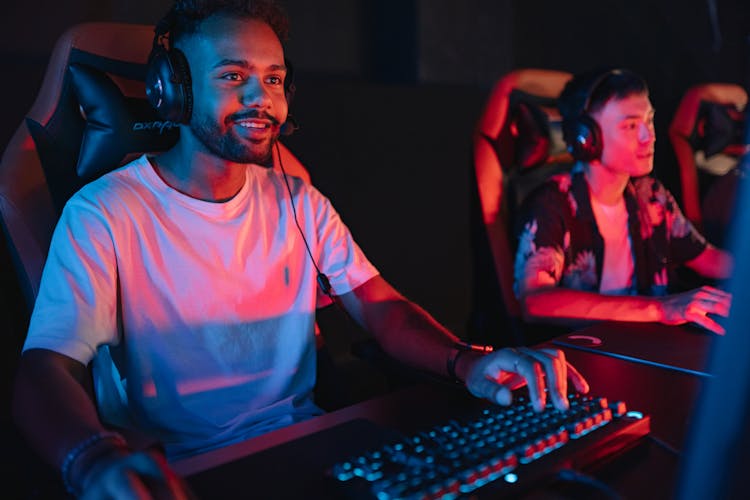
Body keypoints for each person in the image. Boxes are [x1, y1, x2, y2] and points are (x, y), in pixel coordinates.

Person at [12, 1, 589, 498]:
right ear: (175, 90)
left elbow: (381, 307)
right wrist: (94, 461)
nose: (261, 98)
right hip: (186, 473)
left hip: (311, 448)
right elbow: (46, 369)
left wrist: (470, 361)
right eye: (234, 77)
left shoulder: (298, 200)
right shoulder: (105, 213)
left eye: (273, 79)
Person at [513, 68, 734, 337]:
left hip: (649, 351)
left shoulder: (650, 196)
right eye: (630, 125)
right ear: (586, 139)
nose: (648, 136)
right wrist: (659, 309)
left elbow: (707, 259)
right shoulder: (553, 203)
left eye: (649, 121)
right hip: (577, 362)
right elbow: (535, 302)